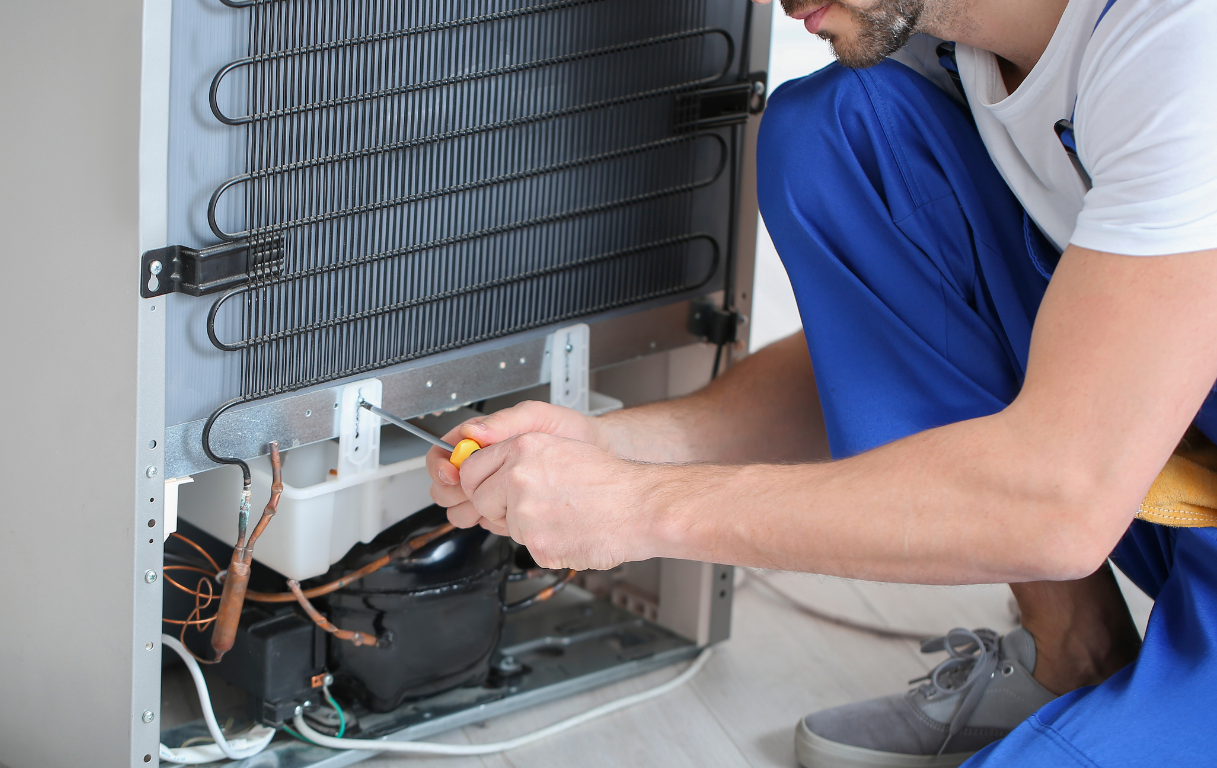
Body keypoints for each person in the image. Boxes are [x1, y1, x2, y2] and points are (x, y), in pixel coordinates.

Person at [426, 0, 1217, 764]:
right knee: (840, 128)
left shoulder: (1183, 42)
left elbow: (1063, 505)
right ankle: (1073, 652)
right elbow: (903, 342)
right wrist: (619, 447)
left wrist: (637, 509)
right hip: (1159, 467)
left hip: (1106, 486)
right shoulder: (926, 41)